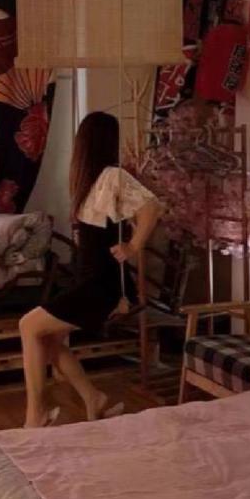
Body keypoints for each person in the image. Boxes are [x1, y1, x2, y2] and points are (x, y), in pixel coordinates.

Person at [18, 111, 162, 428]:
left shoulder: (113, 176)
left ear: (85, 143)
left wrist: (133, 246)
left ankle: (36, 415)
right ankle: (92, 398)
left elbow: (151, 207)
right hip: (88, 279)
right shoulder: (94, 181)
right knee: (48, 340)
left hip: (101, 284)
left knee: (29, 326)